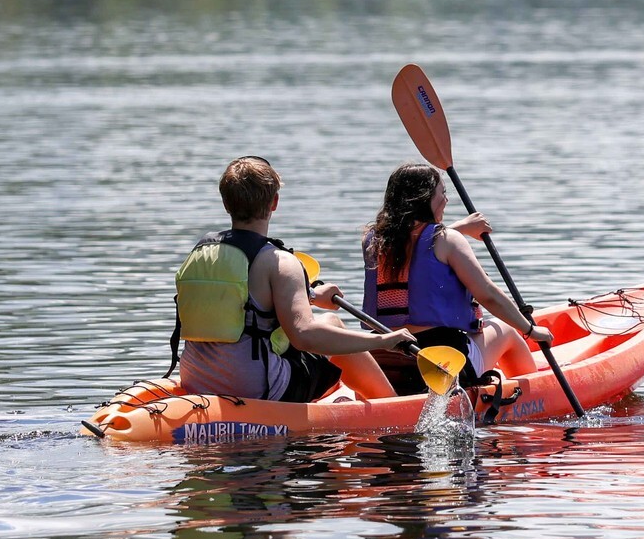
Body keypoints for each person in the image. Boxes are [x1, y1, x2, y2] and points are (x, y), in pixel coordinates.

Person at [173, 156, 411, 402]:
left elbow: (236, 301)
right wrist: (383, 340)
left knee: (326, 317)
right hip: (252, 387)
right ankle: (389, 404)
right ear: (274, 202)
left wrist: (311, 296)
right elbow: (304, 335)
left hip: (196, 378)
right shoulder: (280, 262)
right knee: (332, 324)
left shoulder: (201, 252)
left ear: (225, 203)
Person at [362, 162, 551, 391]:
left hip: (384, 361)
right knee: (507, 330)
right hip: (442, 364)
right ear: (424, 199)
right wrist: (531, 330)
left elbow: (415, 252)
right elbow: (488, 295)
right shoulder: (448, 240)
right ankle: (538, 395)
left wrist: (459, 228)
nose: (446, 200)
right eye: (442, 192)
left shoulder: (374, 241)